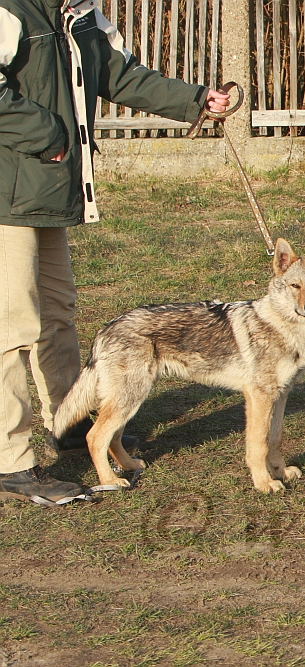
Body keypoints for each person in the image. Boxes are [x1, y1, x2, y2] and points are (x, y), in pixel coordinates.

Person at [0, 0, 231, 504]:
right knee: (12, 327)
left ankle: (73, 429)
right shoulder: (10, 10)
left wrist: (196, 100)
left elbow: (120, 74)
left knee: (57, 313)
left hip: (46, 191)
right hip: (5, 192)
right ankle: (11, 462)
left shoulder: (80, 14)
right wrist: (48, 134)